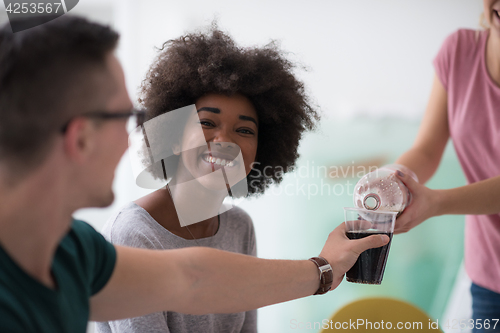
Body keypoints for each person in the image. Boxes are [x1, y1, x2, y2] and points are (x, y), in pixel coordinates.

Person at [0, 15, 390, 333]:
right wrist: (321, 269)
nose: (134, 135)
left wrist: (324, 267)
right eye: (128, 117)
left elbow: (192, 278)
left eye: (244, 129)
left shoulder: (74, 252)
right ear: (81, 138)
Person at [96, 27, 320, 333]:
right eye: (207, 123)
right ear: (173, 137)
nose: (224, 140)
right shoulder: (133, 234)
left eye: (244, 130)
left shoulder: (240, 227)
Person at [392, 1, 500, 331]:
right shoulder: (460, 51)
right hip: (489, 276)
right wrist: (393, 180)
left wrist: (435, 203)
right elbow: (426, 149)